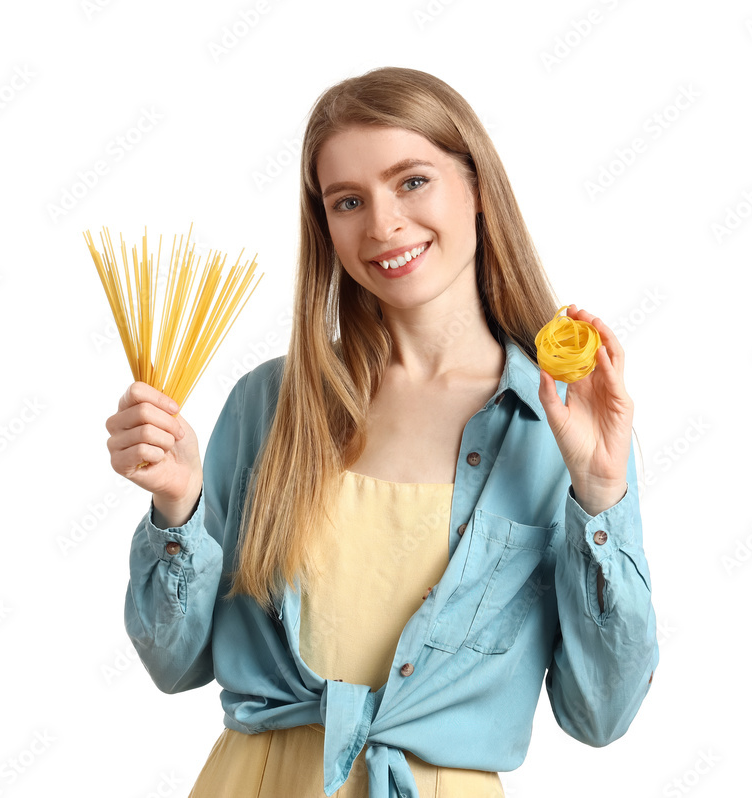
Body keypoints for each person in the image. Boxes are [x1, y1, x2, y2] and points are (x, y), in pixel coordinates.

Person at [105, 66, 659, 798]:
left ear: (479, 189)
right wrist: (177, 507)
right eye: (348, 201)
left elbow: (601, 714)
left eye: (414, 182)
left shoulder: (557, 423)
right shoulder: (271, 405)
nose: (383, 224)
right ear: (325, 225)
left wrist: (599, 490)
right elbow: (174, 666)